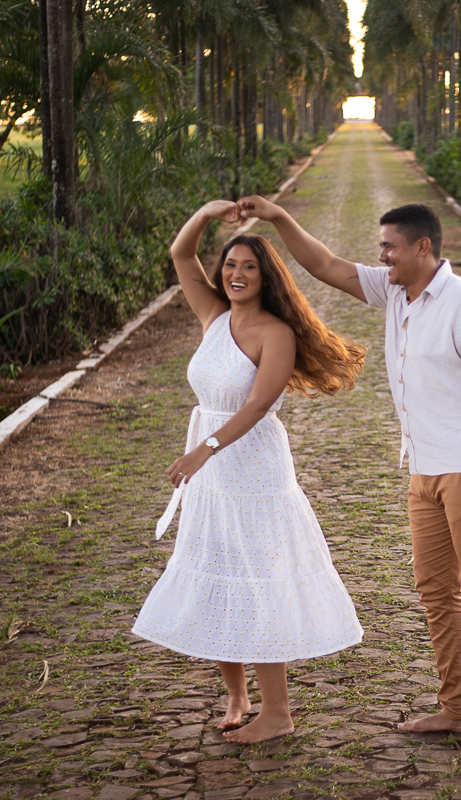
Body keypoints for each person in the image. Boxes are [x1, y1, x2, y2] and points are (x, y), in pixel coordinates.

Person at [236, 197, 461, 758]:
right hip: (424, 469)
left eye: (389, 245)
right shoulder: (395, 290)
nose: (380, 254)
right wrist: (276, 217)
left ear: (423, 247)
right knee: (438, 593)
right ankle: (459, 709)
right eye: (380, 245)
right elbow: (324, 265)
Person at [131, 200, 366, 744]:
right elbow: (180, 252)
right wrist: (209, 213)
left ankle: (278, 712)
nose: (236, 274)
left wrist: (204, 449)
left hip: (252, 466)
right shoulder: (214, 317)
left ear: (267, 278)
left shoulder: (274, 332)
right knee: (218, 574)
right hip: (212, 471)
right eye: (230, 265)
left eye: (249, 267)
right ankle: (238, 695)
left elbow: (259, 405)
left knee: (258, 580)